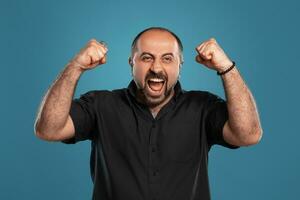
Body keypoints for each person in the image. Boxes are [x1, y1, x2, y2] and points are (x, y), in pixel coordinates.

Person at [34, 27, 263, 200]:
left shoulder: (203, 106)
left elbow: (248, 135)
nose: (156, 68)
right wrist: (76, 66)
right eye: (146, 58)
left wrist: (226, 68)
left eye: (167, 58)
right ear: (131, 63)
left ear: (180, 65)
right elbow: (48, 130)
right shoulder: (100, 104)